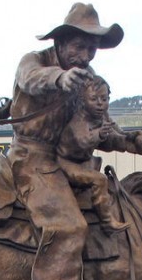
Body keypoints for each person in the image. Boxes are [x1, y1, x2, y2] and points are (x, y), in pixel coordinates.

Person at [5, 3, 142, 280]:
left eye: (91, 48)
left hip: (66, 163)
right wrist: (60, 78)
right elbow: (31, 79)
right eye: (80, 46)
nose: (86, 54)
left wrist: (131, 141)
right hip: (33, 160)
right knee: (70, 228)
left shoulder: (88, 80)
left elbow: (100, 125)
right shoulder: (36, 61)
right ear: (60, 42)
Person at [56, 75, 130, 235]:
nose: (100, 104)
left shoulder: (102, 117)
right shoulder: (79, 119)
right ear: (83, 101)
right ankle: (107, 221)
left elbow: (118, 135)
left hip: (84, 163)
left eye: (104, 99)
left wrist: (136, 139)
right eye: (94, 99)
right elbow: (82, 140)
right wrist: (99, 134)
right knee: (100, 179)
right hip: (66, 164)